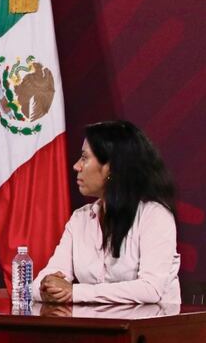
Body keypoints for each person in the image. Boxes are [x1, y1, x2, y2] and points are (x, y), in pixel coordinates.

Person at [32, 121, 181, 304]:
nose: (76, 166)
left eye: (84, 158)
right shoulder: (80, 219)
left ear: (111, 167)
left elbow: (150, 289)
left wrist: (75, 292)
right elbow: (41, 282)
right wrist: (47, 287)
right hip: (99, 328)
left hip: (152, 330)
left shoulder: (154, 215)